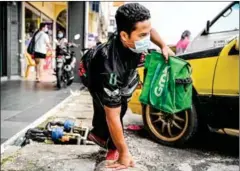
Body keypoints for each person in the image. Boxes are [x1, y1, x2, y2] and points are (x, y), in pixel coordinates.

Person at [83, 3, 174, 170]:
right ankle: (113, 147)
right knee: (112, 109)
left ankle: (99, 135)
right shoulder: (109, 66)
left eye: (147, 33)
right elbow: (113, 115)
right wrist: (125, 153)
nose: (147, 39)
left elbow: (150, 30)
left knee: (113, 106)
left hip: (125, 75)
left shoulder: (135, 39)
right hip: (96, 77)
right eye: (142, 35)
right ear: (124, 35)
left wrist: (163, 45)